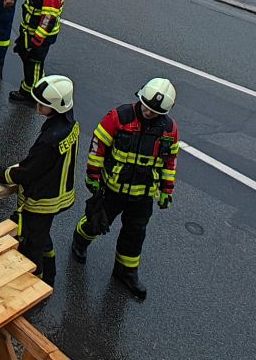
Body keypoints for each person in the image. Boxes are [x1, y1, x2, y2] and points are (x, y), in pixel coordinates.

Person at [71, 77, 179, 302]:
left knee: (135, 233)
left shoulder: (169, 130)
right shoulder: (120, 117)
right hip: (113, 189)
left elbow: (169, 162)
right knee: (96, 222)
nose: (148, 113)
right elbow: (98, 145)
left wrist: (166, 190)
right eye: (146, 107)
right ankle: (80, 242)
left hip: (143, 195)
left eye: (154, 111)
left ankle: (126, 272)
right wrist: (93, 175)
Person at [0, 74, 77, 286]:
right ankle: (49, 274)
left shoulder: (50, 139)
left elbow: (27, 172)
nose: (37, 106)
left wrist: (1, 173)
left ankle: (35, 280)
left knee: (33, 242)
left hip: (42, 200)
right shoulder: (69, 123)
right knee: (43, 235)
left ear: (55, 107)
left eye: (42, 104)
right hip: (58, 194)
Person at [9, 0, 67, 104]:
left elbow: (48, 19)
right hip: (30, 32)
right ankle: (34, 85)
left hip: (38, 36)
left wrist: (36, 41)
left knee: (33, 64)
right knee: (30, 61)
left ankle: (30, 93)